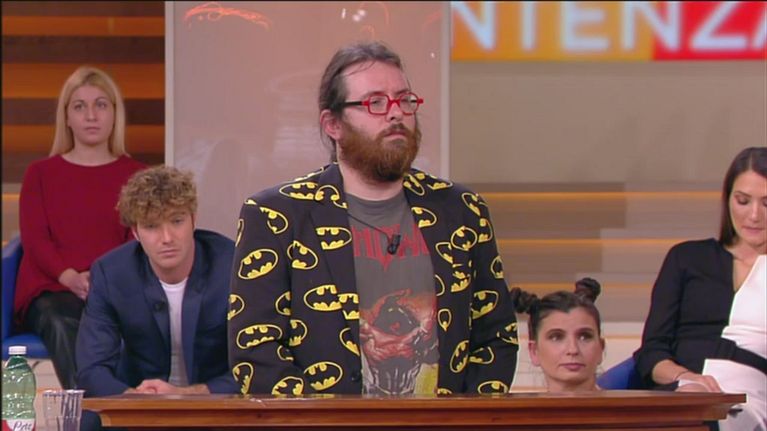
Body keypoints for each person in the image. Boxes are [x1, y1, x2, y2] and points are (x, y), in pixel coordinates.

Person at [228, 41, 518, 396]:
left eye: (404, 100)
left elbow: (495, 336)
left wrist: (464, 418)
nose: (396, 114)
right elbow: (256, 351)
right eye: (375, 103)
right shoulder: (277, 216)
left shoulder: (462, 211)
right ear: (333, 124)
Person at [14, 65, 146, 389]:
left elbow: (137, 240)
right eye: (79, 106)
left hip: (114, 288)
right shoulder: (40, 174)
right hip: (52, 289)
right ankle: (93, 409)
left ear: (114, 114)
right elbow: (35, 239)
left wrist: (102, 282)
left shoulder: (137, 175)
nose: (91, 115)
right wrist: (70, 277)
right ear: (67, 118)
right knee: (65, 319)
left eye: (100, 104)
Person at [634, 147, 766, 431]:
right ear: (727, 199)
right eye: (743, 201)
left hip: (750, 396)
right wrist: (686, 378)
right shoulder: (686, 258)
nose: (754, 215)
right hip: (681, 390)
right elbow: (652, 352)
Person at [75, 165, 237, 397]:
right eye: (151, 226)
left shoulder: (232, 267)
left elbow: (257, 367)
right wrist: (136, 399)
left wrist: (189, 395)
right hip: (138, 402)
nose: (167, 238)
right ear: (135, 232)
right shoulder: (112, 274)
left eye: (177, 221)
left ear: (193, 220)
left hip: (216, 404)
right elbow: (92, 369)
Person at [511, 278, 605, 392]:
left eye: (584, 336)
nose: (573, 350)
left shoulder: (624, 403)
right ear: (534, 351)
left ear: (601, 348)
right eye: (556, 337)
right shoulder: (516, 405)